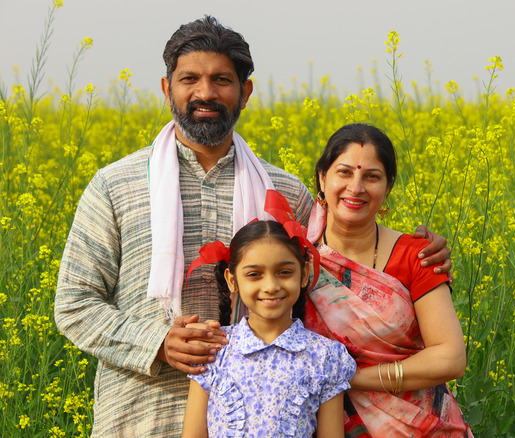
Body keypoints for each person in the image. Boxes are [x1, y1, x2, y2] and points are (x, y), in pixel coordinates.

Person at [54, 16, 451, 437]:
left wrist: (420, 252)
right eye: (189, 78)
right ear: (167, 89)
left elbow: (343, 267)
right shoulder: (115, 186)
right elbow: (75, 303)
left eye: (222, 80)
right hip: (140, 417)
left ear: (245, 93)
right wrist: (156, 342)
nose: (205, 93)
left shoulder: (284, 192)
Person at [304, 124, 473, 437]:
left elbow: (450, 357)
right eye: (344, 172)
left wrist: (350, 377)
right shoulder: (295, 260)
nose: (356, 188)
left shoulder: (417, 255)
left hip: (422, 425)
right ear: (321, 178)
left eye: (372, 176)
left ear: (388, 187)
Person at [182, 193, 355, 437]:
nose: (271, 286)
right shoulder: (214, 351)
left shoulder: (325, 357)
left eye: (284, 272)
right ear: (233, 280)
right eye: (254, 274)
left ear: (304, 274)